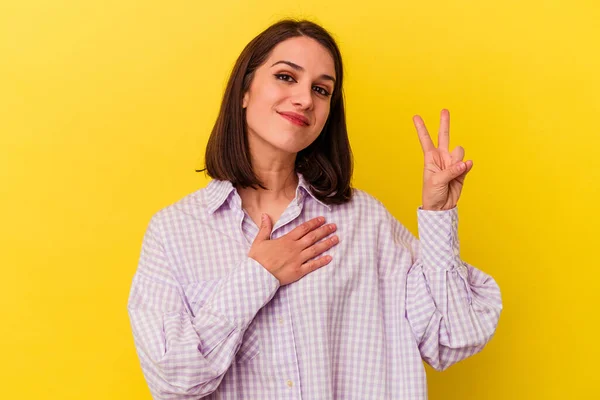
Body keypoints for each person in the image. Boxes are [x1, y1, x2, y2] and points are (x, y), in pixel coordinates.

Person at [127, 19, 502, 399]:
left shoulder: (364, 222)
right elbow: (173, 381)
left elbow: (455, 336)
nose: (305, 99)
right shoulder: (174, 232)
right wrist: (258, 275)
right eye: (286, 77)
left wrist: (438, 215)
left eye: (321, 89)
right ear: (244, 90)